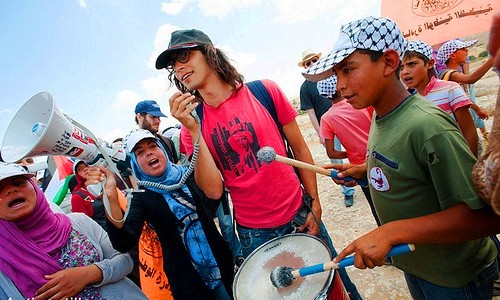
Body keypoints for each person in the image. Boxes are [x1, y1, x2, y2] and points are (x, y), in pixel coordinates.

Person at [304, 16, 500, 299]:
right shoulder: (379, 115)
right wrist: (363, 169)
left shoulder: (427, 126)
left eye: (348, 70)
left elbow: (486, 217)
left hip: (455, 278)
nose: (340, 86)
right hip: (419, 267)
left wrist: (392, 232)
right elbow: (403, 162)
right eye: (337, 74)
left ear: (388, 62)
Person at [157, 28, 360, 299]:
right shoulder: (192, 124)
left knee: (337, 287)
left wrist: (314, 202)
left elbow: (299, 149)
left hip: (300, 215)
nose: (179, 67)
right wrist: (194, 132)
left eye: (185, 55)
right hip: (255, 234)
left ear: (210, 53)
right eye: (174, 64)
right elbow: (214, 190)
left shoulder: (264, 91)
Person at [87, 129, 234, 300]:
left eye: (152, 146)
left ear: (163, 150)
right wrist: (111, 196)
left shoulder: (187, 175)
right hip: (189, 283)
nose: (148, 152)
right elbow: (123, 242)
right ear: (135, 163)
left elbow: (213, 198)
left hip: (222, 266)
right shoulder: (141, 196)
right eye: (140, 152)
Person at [0, 162, 146, 299]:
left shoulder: (79, 222)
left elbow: (125, 261)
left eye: (19, 183)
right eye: (0, 189)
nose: (11, 190)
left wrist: (89, 274)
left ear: (34, 187)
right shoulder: (3, 257)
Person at [317, 75, 380, 226]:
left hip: (360, 167)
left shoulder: (327, 118)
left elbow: (331, 153)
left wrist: (351, 153)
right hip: (382, 156)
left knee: (377, 206)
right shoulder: (360, 103)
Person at [400, 40, 479, 157]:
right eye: (401, 67)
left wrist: (469, 166)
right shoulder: (405, 100)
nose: (405, 72)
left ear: (430, 63)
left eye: (412, 64)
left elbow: (469, 132)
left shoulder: (450, 90)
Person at [298, 49, 356, 207]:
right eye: (308, 63)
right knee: (336, 160)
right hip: (328, 127)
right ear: (305, 66)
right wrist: (320, 134)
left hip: (346, 121)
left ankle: (364, 178)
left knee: (357, 151)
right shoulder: (305, 88)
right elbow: (310, 113)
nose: (311, 64)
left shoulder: (333, 75)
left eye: (313, 60)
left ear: (318, 60)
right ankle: (348, 191)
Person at [437, 39, 494, 141]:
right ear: (453, 56)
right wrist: (492, 60)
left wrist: (477, 109)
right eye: (463, 49)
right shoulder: (450, 74)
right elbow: (471, 79)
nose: (467, 51)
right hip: (458, 126)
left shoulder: (454, 73)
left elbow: (463, 98)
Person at [135, 99, 179, 164]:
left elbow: (177, 165)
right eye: (153, 117)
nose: (158, 121)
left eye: (158, 117)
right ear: (139, 117)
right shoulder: (131, 146)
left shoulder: (167, 142)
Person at [70, 160, 107, 230]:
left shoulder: (105, 180)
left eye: (86, 165)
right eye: (79, 169)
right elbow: (84, 226)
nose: (85, 169)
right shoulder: (77, 197)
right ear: (77, 175)